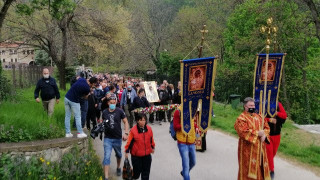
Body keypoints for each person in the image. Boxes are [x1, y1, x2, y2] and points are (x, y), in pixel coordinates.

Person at [234, 97, 271, 180]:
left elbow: (267, 127)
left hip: (260, 149)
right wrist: (258, 133)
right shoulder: (241, 118)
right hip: (248, 150)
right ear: (245, 106)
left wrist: (264, 135)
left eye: (253, 105)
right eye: (250, 105)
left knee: (260, 169)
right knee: (247, 171)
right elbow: (242, 132)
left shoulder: (259, 117)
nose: (252, 107)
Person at [102, 94, 129, 180]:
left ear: (116, 102)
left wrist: (126, 133)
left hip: (117, 138)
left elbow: (126, 122)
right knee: (107, 156)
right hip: (107, 138)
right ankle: (106, 177)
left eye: (114, 102)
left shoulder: (120, 111)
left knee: (119, 154)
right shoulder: (104, 112)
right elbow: (103, 124)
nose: (113, 104)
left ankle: (118, 167)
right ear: (108, 103)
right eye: (111, 102)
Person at [124, 113, 155, 180]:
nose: (143, 122)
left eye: (144, 120)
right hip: (136, 156)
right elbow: (129, 142)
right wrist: (126, 151)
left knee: (146, 173)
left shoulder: (149, 129)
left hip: (147, 155)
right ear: (137, 121)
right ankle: (134, 176)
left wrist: (153, 147)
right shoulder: (133, 130)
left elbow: (151, 139)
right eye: (141, 120)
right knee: (136, 174)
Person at [173, 107, 197, 180]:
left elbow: (193, 124)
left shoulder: (193, 109)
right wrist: (185, 126)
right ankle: (185, 174)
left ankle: (184, 173)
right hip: (182, 143)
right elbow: (175, 127)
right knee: (186, 166)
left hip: (191, 141)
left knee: (193, 162)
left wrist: (196, 130)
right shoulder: (178, 111)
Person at [266, 102, 287, 179]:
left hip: (277, 135)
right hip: (267, 134)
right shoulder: (262, 103)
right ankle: (271, 170)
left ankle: (265, 163)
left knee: (273, 152)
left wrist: (276, 113)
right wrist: (269, 119)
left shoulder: (278, 104)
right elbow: (258, 117)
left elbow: (284, 116)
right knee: (269, 152)